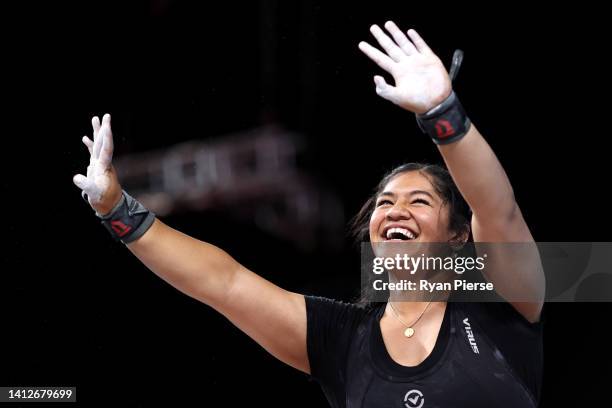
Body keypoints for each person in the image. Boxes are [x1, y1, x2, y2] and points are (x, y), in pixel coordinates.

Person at [73, 21, 545, 408]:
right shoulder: (341, 340)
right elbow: (224, 283)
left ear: (460, 236)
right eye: (385, 202)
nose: (395, 210)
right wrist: (118, 210)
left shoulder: (498, 301)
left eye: (419, 201)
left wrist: (444, 115)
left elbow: (497, 209)